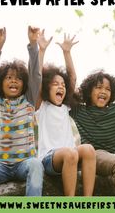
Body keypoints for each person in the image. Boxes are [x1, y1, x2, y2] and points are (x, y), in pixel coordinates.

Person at [0, 27, 44, 196]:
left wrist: (33, 44)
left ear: (24, 84)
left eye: (18, 78)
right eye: (9, 77)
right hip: (0, 166)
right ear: (0, 82)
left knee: (36, 165)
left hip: (24, 163)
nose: (14, 81)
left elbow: (35, 74)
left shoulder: (29, 100)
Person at [36, 32, 96, 196]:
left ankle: (87, 201)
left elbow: (73, 78)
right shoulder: (42, 106)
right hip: (49, 159)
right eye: (55, 84)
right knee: (71, 153)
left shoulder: (65, 107)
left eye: (62, 84)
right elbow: (37, 78)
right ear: (47, 87)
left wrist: (67, 52)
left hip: (71, 156)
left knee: (89, 149)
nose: (61, 87)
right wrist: (41, 51)